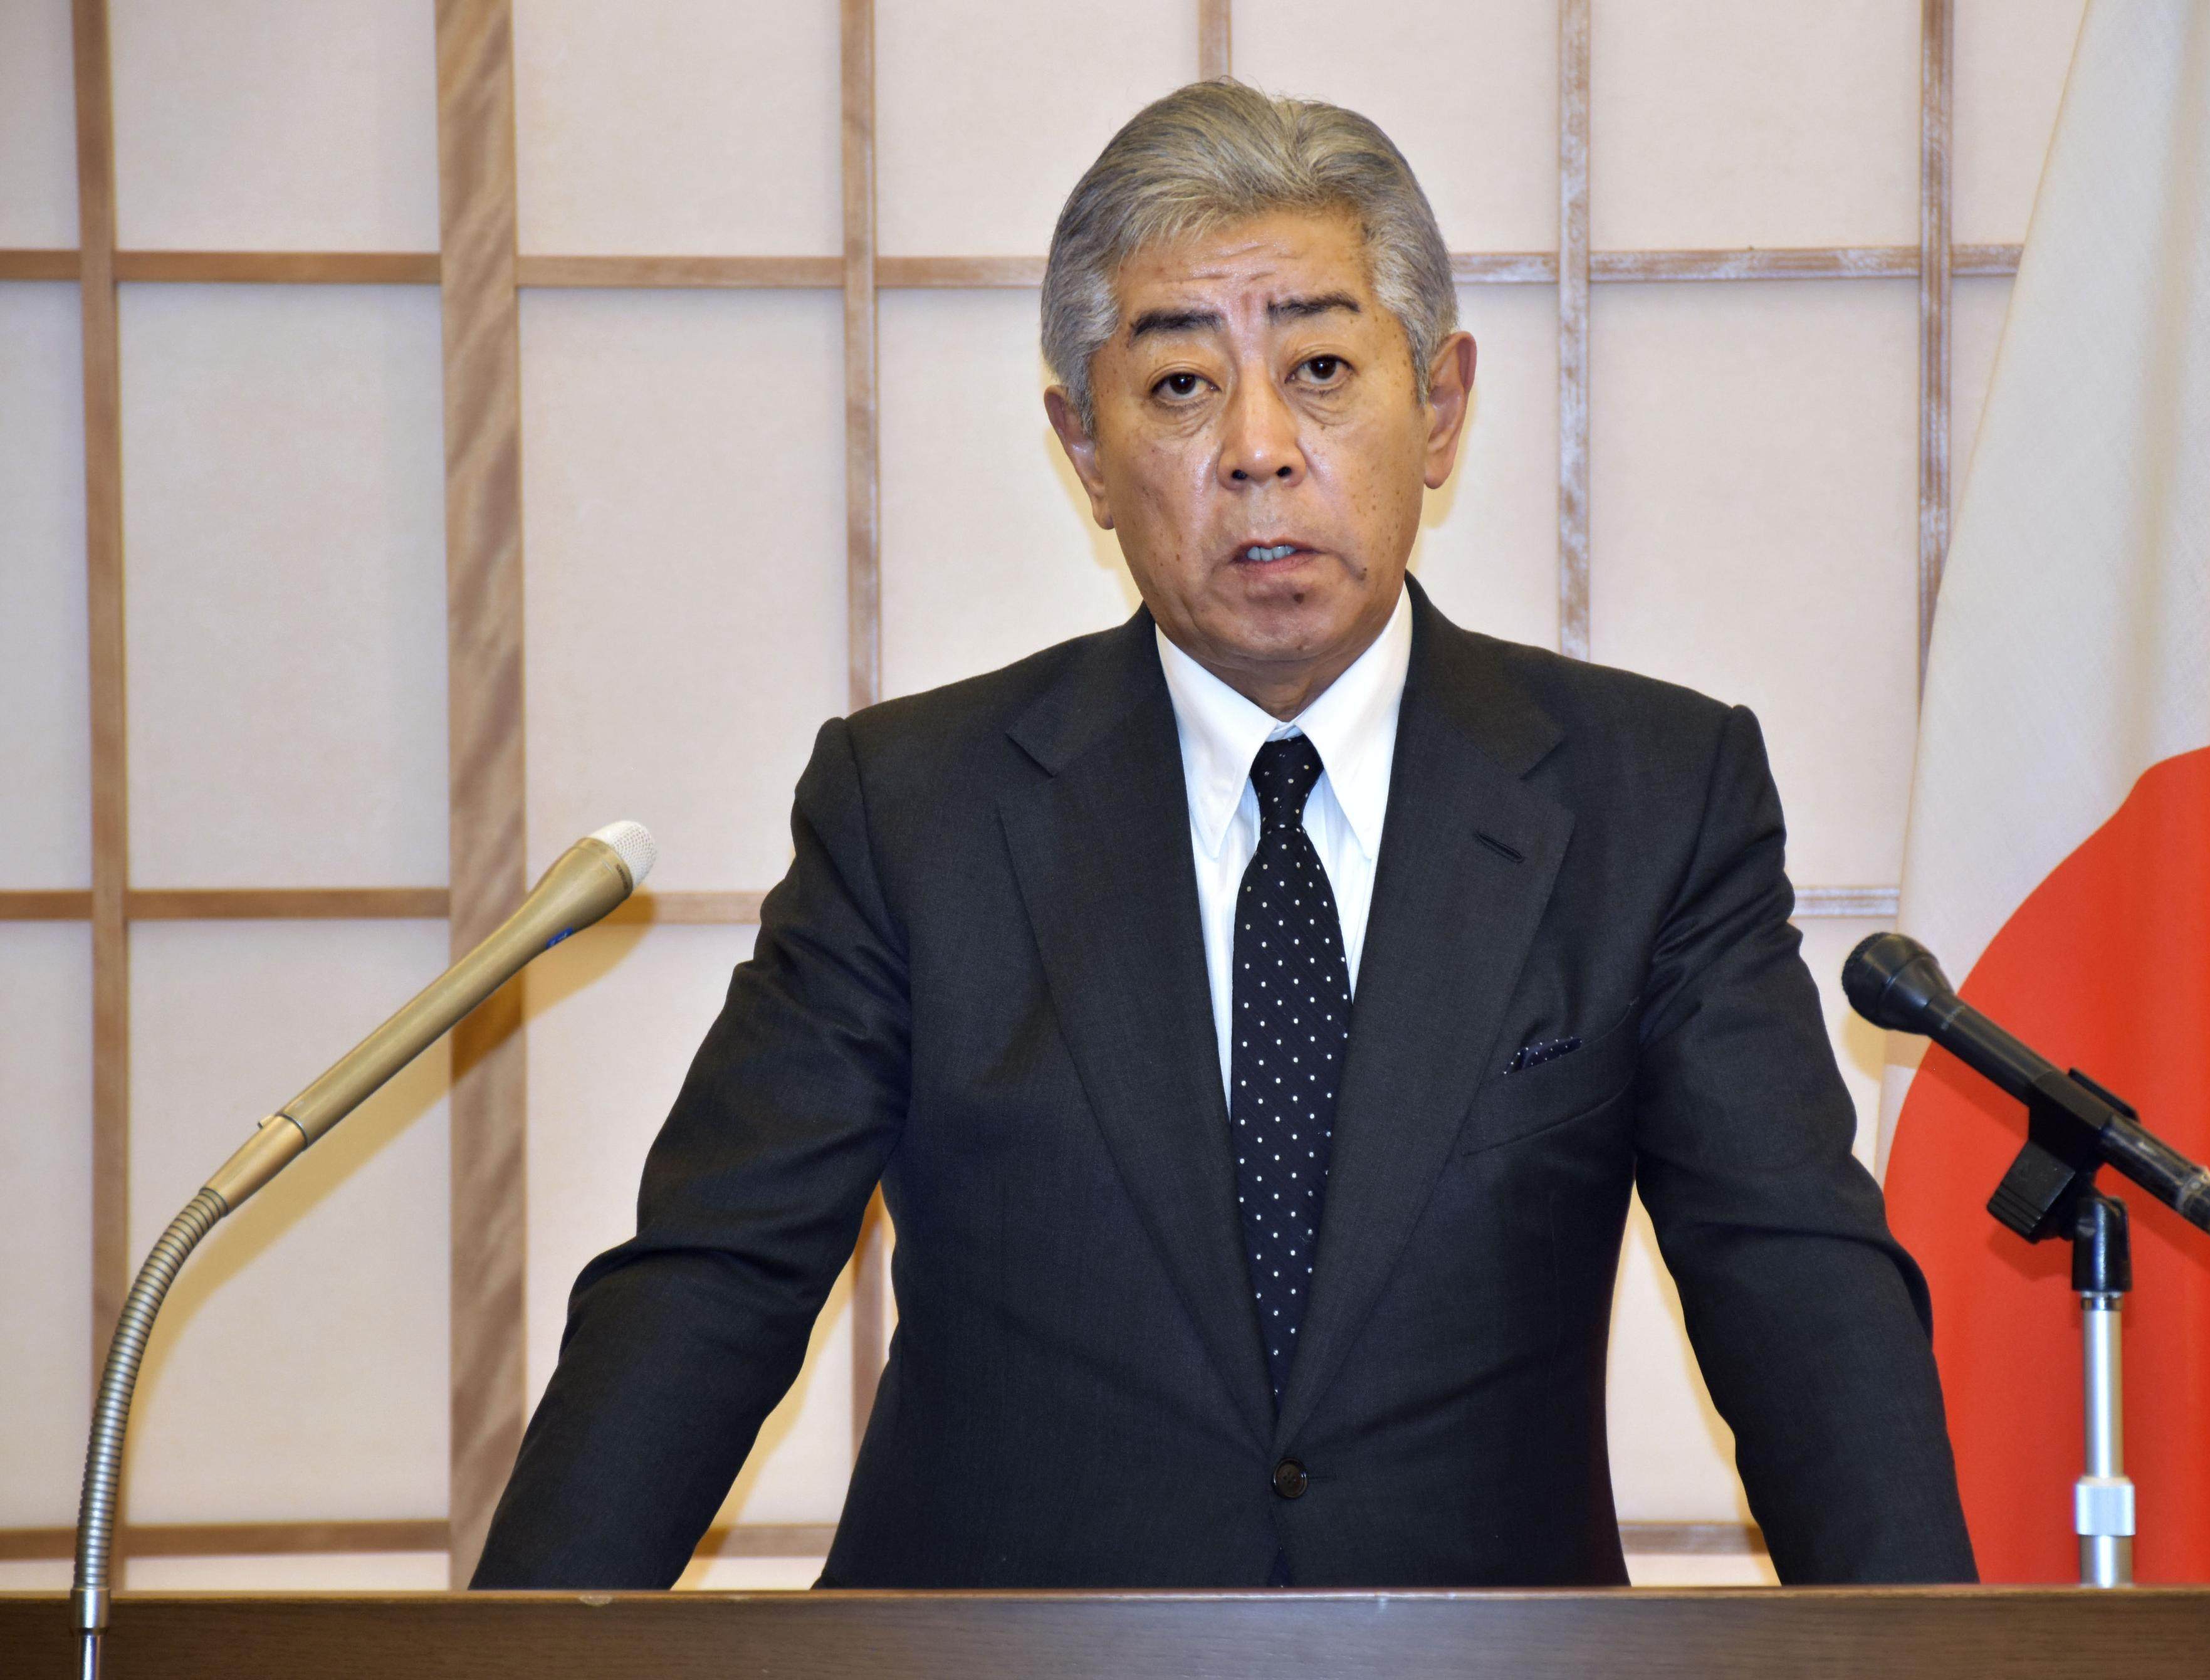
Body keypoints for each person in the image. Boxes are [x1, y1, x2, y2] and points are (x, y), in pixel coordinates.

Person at [473, 81, 1975, 1590]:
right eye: (1181, 388)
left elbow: (1794, 1290)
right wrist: (513, 1656)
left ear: (1437, 405)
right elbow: (715, 1280)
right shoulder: (915, 808)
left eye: (1321, 367)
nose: (1258, 447)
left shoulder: (1650, 796)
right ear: (1084, 444)